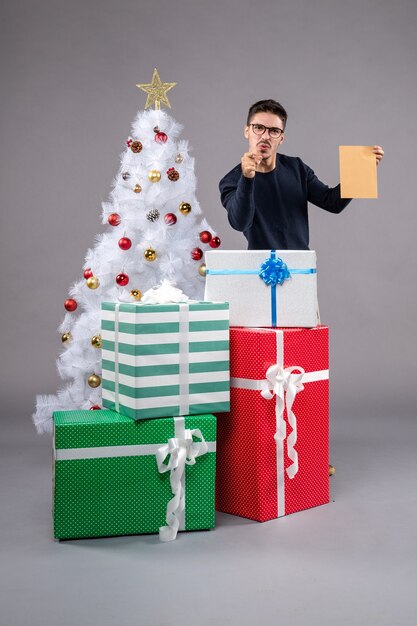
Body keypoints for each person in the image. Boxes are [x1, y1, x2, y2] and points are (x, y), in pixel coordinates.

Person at [219, 99, 384, 250]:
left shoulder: (296, 168)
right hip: (261, 270)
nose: (265, 136)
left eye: (274, 131)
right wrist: (247, 178)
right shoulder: (232, 180)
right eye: (259, 128)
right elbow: (240, 222)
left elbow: (332, 202)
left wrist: (361, 170)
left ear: (281, 138)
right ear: (247, 131)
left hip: (300, 268)